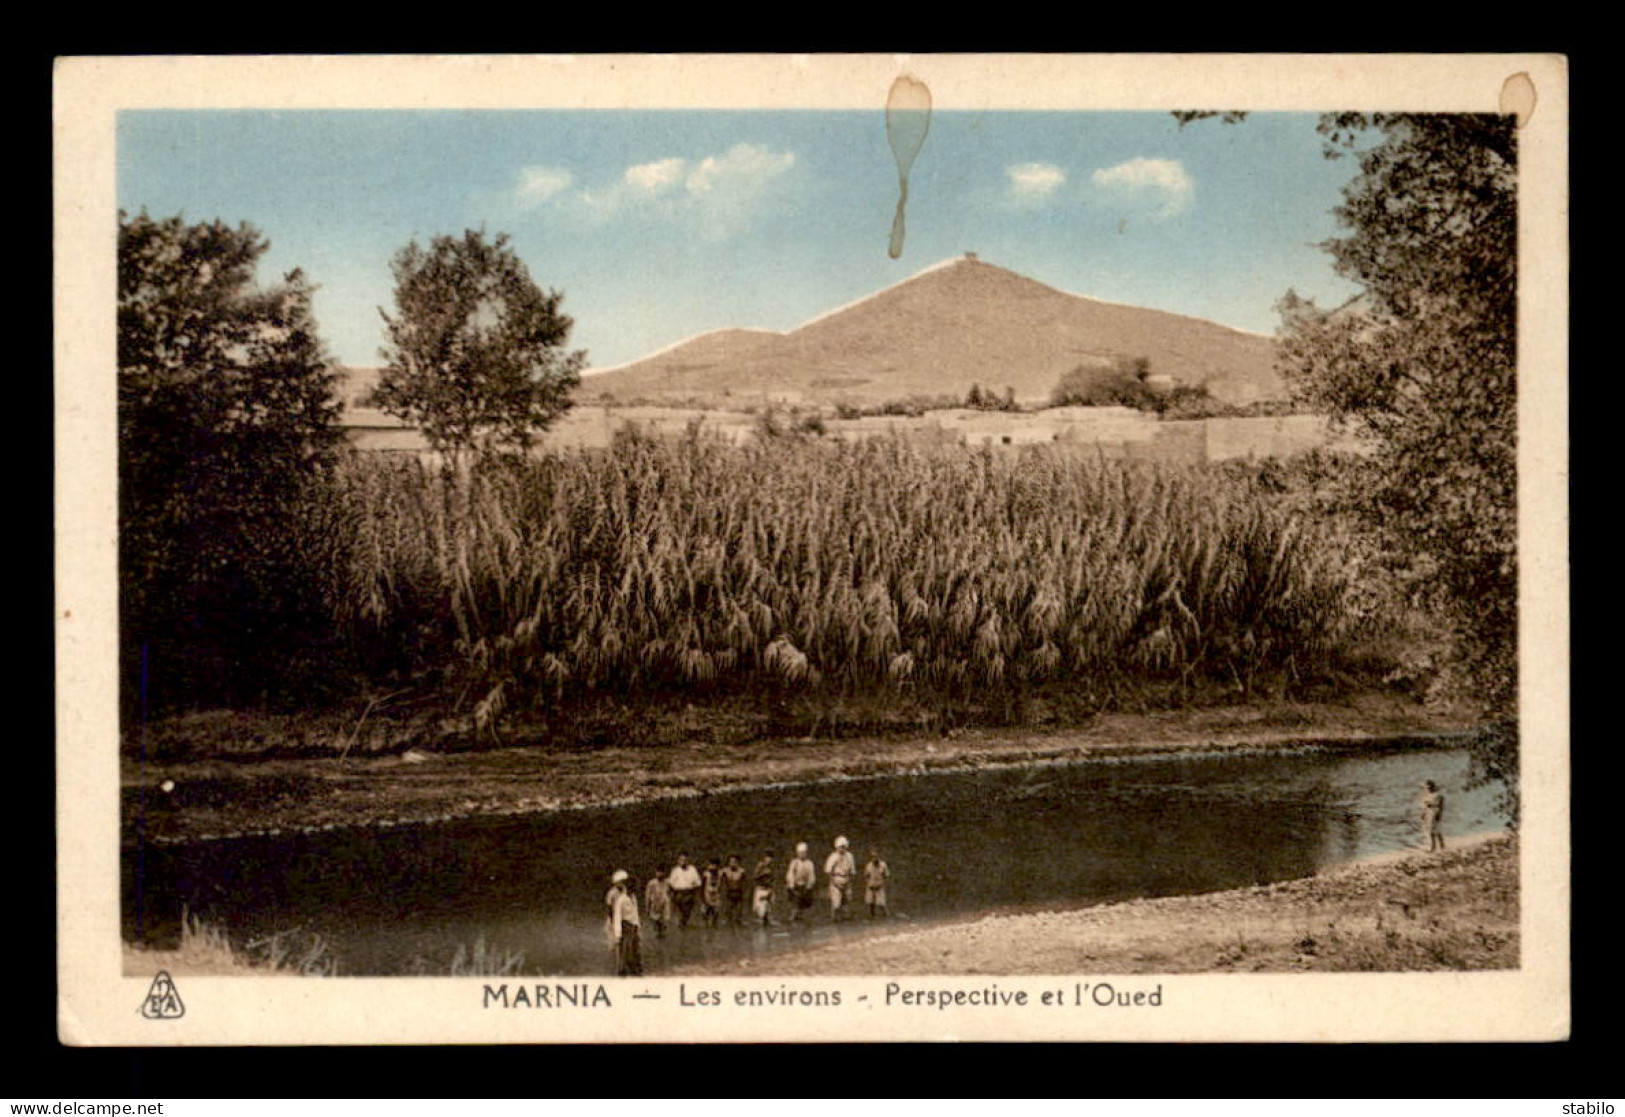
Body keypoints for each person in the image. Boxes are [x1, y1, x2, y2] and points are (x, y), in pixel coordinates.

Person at [607, 870, 643, 976]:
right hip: (625, 927)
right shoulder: (621, 900)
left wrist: (638, 928)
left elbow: (635, 914)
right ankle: (622, 971)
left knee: (635, 950)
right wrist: (617, 935)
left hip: (633, 927)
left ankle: (635, 970)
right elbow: (617, 917)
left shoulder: (633, 898)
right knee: (625, 951)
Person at [825, 835, 856, 922]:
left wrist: (849, 882)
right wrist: (833, 881)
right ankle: (835, 917)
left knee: (847, 900)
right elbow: (828, 870)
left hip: (846, 879)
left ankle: (845, 916)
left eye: (843, 847)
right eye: (840, 847)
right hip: (836, 879)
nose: (842, 849)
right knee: (836, 902)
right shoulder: (833, 856)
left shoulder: (849, 856)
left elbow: (852, 871)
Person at [668, 853, 702, 929]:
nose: (683, 861)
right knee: (680, 911)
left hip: (689, 893)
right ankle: (681, 924)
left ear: (688, 860)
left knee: (687, 911)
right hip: (678, 893)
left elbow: (698, 883)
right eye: (681, 860)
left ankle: (683, 923)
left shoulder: (692, 869)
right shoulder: (675, 870)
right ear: (678, 861)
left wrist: (694, 892)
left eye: (685, 860)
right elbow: (671, 883)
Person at [785, 841, 817, 923]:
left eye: (804, 852)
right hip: (795, 886)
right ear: (797, 853)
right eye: (800, 853)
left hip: (805, 886)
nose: (802, 854)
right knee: (795, 903)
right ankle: (792, 917)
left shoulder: (809, 863)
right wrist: (791, 885)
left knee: (803, 903)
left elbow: (811, 875)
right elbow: (790, 874)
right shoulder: (794, 862)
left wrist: (810, 885)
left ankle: (800, 916)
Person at [645, 864, 672, 939]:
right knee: (655, 921)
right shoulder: (652, 883)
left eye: (661, 872)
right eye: (658, 872)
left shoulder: (668, 882)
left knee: (664, 922)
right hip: (655, 904)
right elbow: (647, 895)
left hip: (665, 904)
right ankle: (657, 935)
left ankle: (662, 936)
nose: (659, 874)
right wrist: (647, 907)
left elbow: (671, 892)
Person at [720, 854, 747, 927]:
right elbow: (719, 881)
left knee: (738, 912)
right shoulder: (724, 871)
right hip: (729, 893)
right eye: (731, 861)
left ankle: (739, 923)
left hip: (738, 892)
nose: (733, 863)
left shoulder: (742, 871)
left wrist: (745, 894)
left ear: (738, 862)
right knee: (728, 911)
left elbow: (746, 883)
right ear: (728, 862)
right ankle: (728, 924)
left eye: (734, 861)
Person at [751, 849, 777, 926]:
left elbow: (773, 878)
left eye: (771, 858)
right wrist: (763, 873)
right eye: (768, 857)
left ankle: (768, 922)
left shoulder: (772, 867)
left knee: (769, 908)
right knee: (762, 910)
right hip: (761, 888)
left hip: (769, 888)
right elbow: (754, 877)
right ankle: (761, 922)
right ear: (765, 858)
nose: (769, 860)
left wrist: (772, 889)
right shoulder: (760, 865)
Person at [863, 848, 890, 919]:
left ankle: (886, 915)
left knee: (881, 902)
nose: (874, 859)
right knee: (870, 901)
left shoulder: (883, 865)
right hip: (871, 885)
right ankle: (872, 915)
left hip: (880, 885)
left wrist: (882, 884)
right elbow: (866, 876)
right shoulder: (868, 866)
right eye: (872, 857)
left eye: (875, 857)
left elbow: (886, 876)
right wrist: (868, 884)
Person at [1420, 780, 1446, 852]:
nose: (1427, 789)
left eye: (1428, 787)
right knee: (1432, 830)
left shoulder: (1438, 795)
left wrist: (1439, 814)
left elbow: (1441, 806)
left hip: (1435, 811)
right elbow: (1425, 805)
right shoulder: (1427, 795)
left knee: (1435, 830)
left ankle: (1436, 847)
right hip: (1429, 812)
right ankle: (1439, 846)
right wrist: (1423, 813)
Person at [700, 858, 722, 929]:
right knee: (705, 911)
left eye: (714, 865)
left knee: (715, 911)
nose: (712, 867)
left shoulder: (720, 873)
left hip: (716, 895)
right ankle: (706, 925)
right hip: (707, 894)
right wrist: (702, 897)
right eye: (711, 865)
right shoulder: (706, 874)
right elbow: (702, 886)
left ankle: (714, 924)